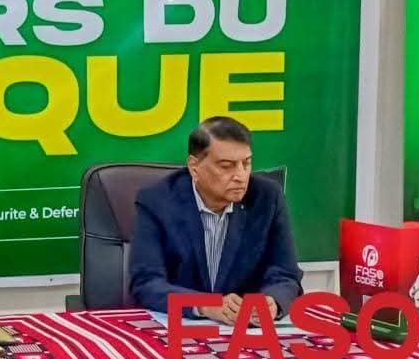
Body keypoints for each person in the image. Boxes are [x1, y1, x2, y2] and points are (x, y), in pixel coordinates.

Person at [128, 116, 302, 325]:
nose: (241, 176)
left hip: (244, 330)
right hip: (176, 328)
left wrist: (272, 302)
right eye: (227, 166)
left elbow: (286, 274)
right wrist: (206, 305)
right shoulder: (157, 201)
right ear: (194, 167)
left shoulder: (267, 198)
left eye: (246, 163)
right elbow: (146, 283)